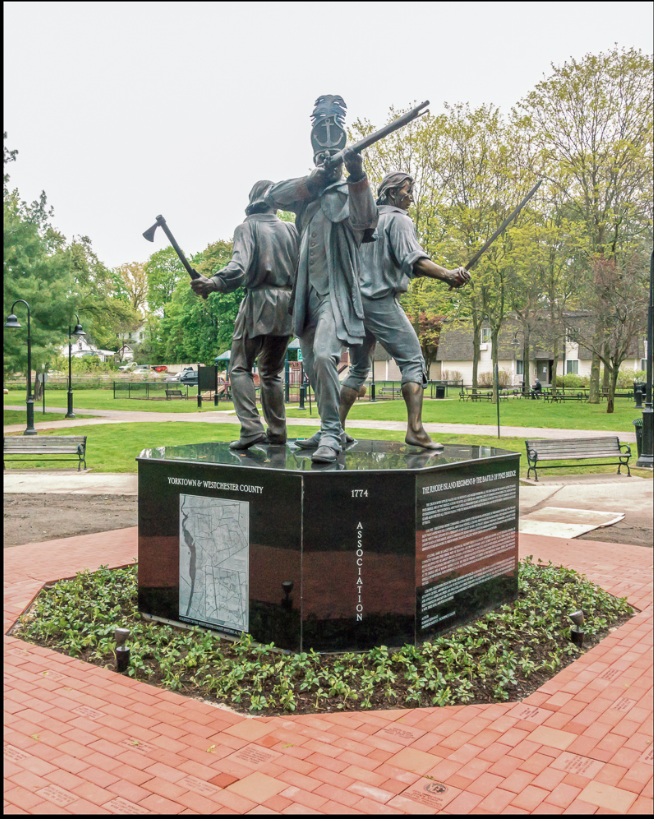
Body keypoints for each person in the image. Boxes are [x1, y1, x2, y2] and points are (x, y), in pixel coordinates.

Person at [261, 95, 378, 463]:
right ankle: (334, 429)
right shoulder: (306, 197)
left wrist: (358, 175)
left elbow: (366, 223)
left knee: (327, 356)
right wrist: (313, 180)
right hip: (306, 297)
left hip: (336, 296)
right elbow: (272, 195)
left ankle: (330, 433)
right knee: (312, 363)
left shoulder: (351, 192)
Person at [321, 171, 469, 450]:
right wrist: (448, 275)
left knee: (359, 368)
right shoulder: (399, 220)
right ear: (391, 193)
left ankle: (335, 429)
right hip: (380, 301)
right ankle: (415, 430)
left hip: (356, 303)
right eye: (407, 191)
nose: (411, 196)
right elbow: (412, 260)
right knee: (413, 362)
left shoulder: (363, 220)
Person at [190, 180, 299, 448]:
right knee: (272, 373)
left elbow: (238, 268)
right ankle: (277, 432)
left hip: (259, 302)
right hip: (288, 306)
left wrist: (213, 283)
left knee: (239, 367)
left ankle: (251, 429)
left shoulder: (247, 227)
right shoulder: (292, 230)